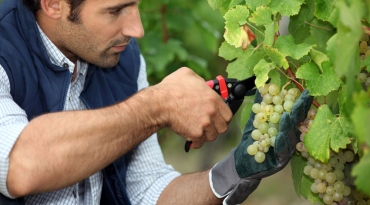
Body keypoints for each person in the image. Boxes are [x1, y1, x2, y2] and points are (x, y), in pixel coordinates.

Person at [0, 0, 312, 204]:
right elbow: (22, 164)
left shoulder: (122, 59)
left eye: (135, 3)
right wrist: (155, 106)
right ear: (53, 4)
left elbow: (147, 191)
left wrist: (237, 171)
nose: (137, 29)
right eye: (115, 10)